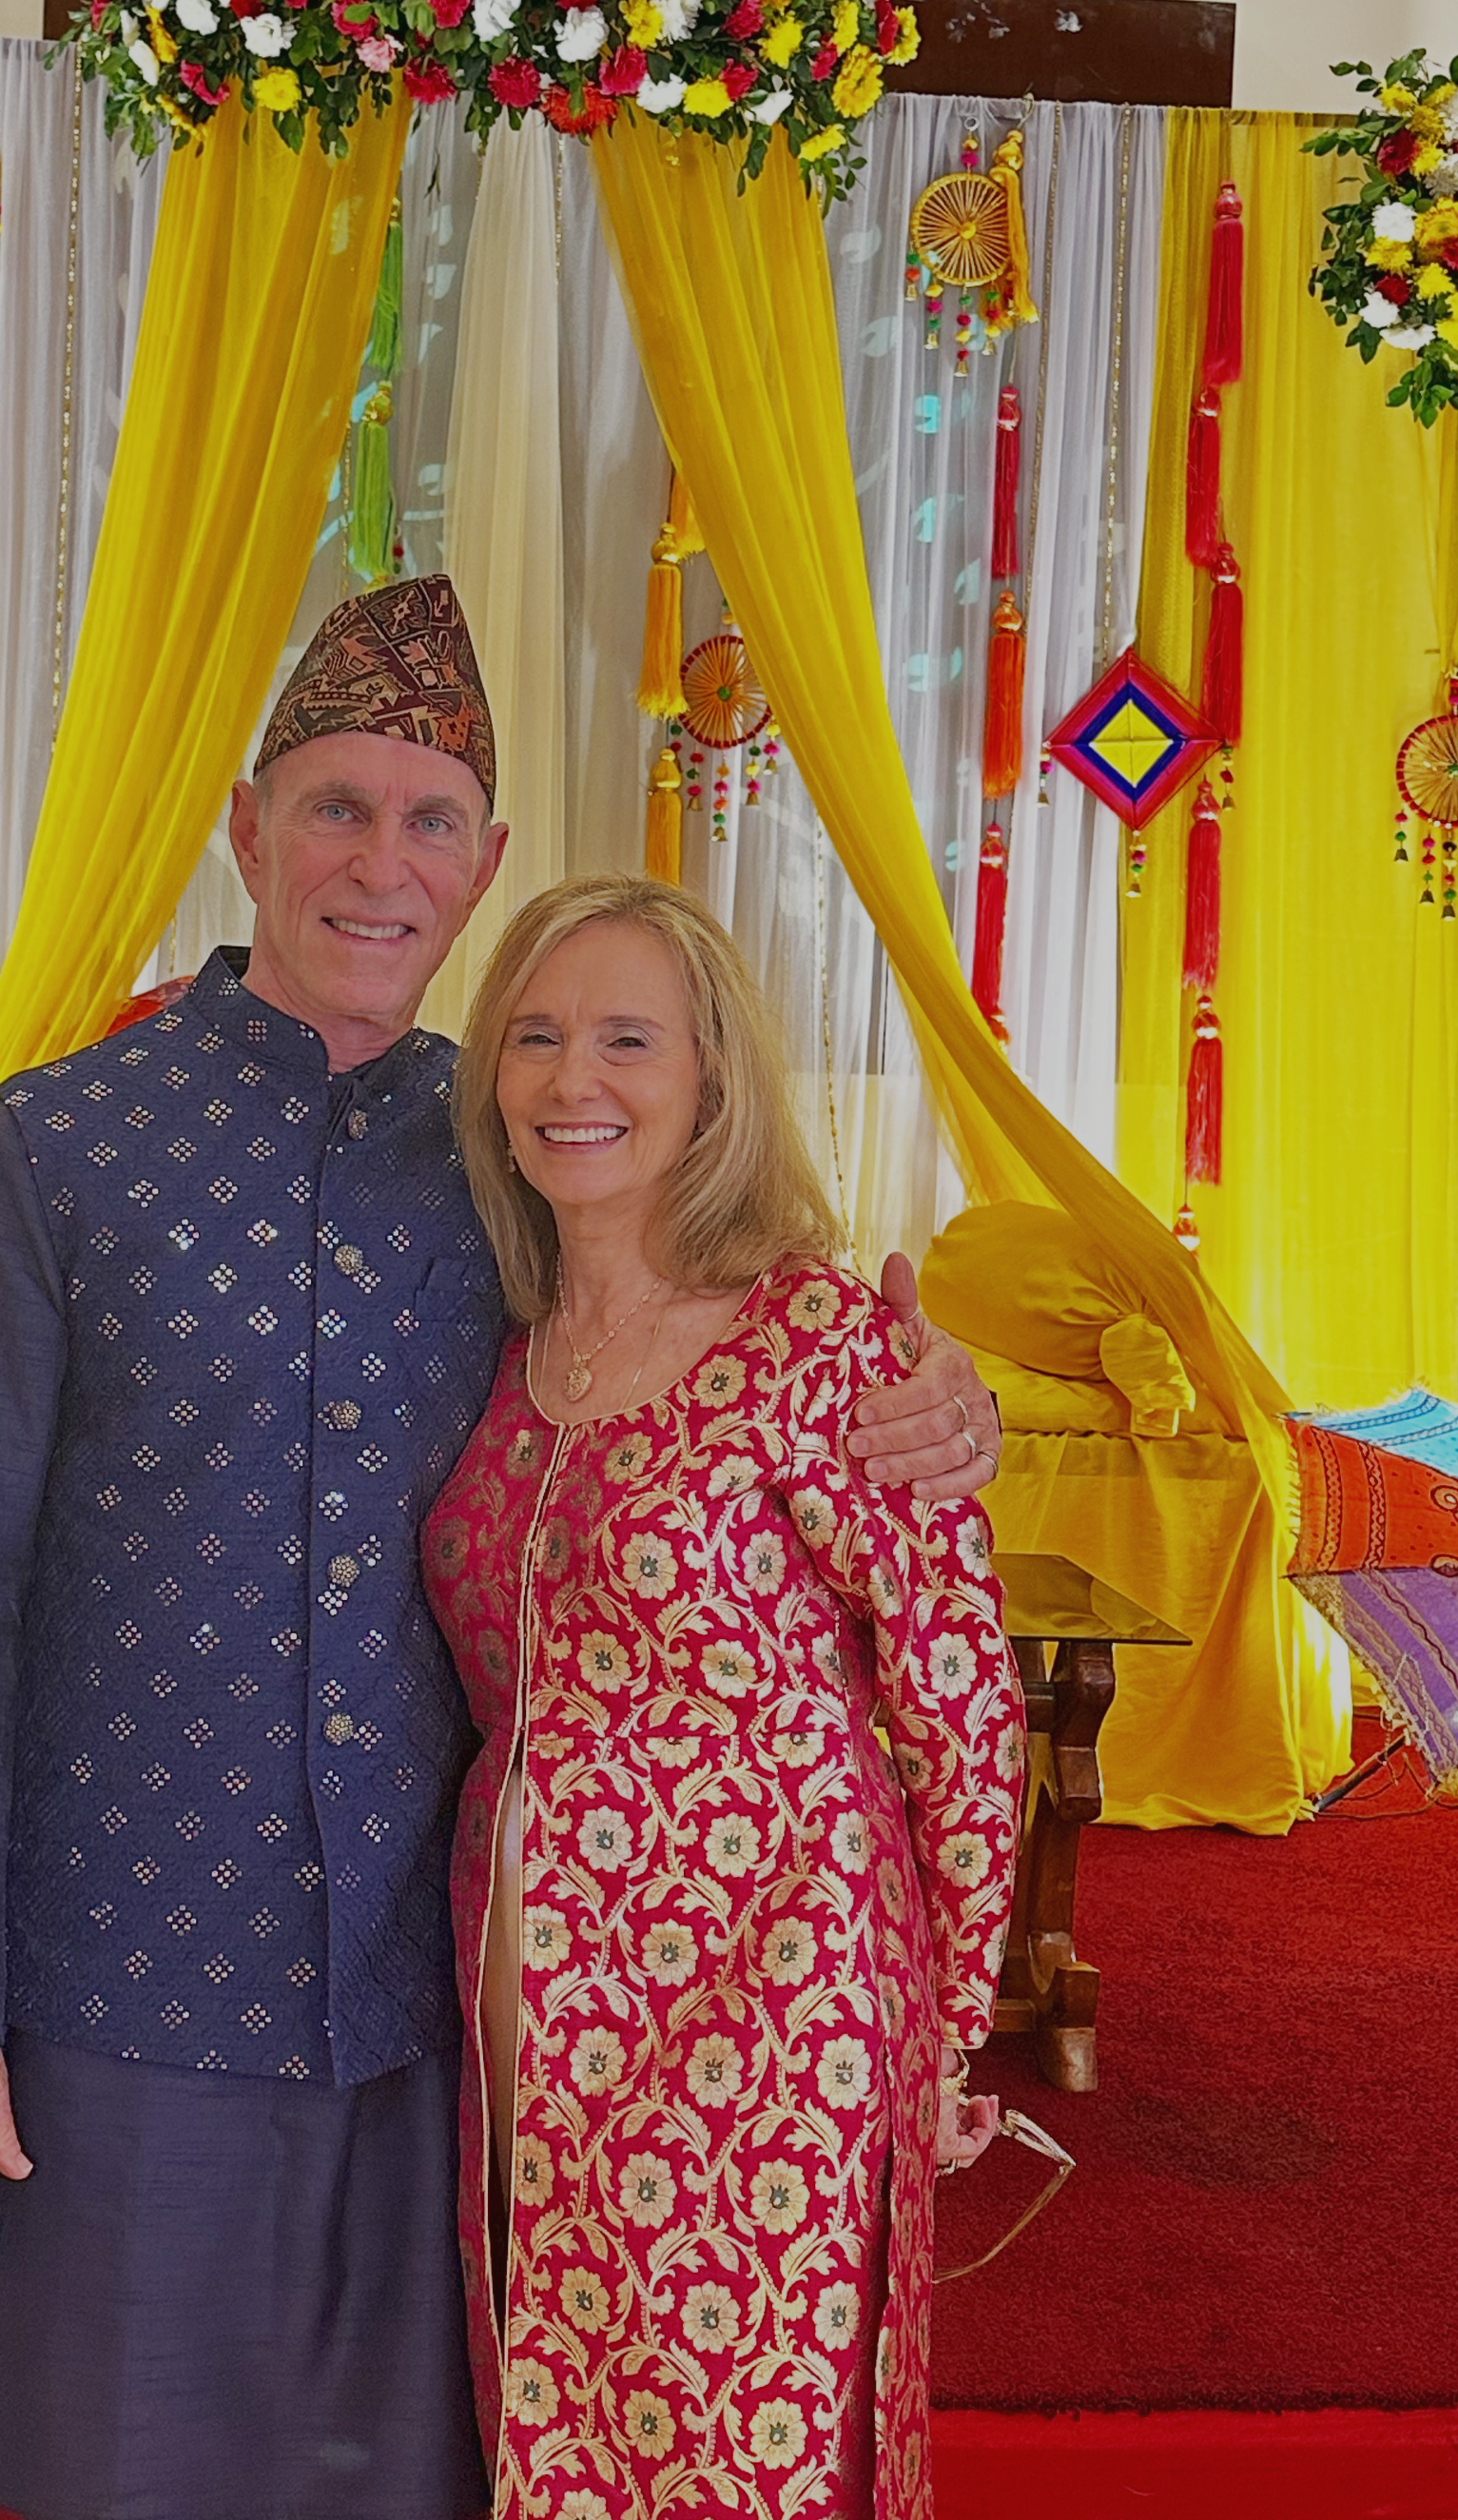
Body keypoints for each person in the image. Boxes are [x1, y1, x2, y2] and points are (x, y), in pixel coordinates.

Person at [0, 576, 1003, 2520]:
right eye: (334, 807)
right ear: (242, 828)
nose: (380, 860)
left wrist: (943, 1408)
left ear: (486, 861)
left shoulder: (511, 1152)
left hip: (437, 2010)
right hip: (121, 1976)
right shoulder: (59, 1149)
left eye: (429, 817)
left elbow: (712, 1337)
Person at [422, 873, 1022, 2520]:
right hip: (531, 1987)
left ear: (711, 1083)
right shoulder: (485, 1330)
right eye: (534, 1038)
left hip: (779, 1990)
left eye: (627, 1040)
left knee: (753, 2442)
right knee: (555, 2420)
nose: (572, 1082)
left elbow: (958, 1697)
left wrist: (957, 2024)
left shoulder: (821, 1338)